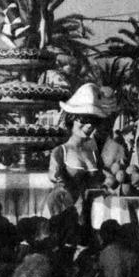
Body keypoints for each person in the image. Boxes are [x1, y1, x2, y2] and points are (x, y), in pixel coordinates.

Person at [47, 83, 114, 216]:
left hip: (93, 213)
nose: (89, 125)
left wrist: (107, 184)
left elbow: (103, 178)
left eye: (94, 121)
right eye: (83, 119)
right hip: (67, 214)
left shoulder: (93, 152)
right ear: (71, 120)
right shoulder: (60, 152)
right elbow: (58, 187)